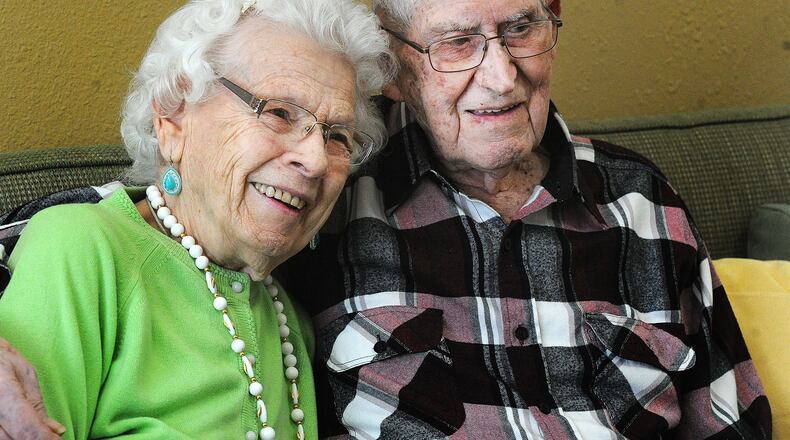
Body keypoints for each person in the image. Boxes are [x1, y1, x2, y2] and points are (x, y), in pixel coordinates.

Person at [0, 0, 773, 439]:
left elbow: (737, 422)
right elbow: (124, 233)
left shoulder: (643, 199)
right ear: (403, 71)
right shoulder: (332, 214)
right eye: (456, 42)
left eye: (522, 27)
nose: (499, 73)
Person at [0, 0, 392, 439]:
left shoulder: (291, 318)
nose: (316, 160)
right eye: (279, 113)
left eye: (337, 136)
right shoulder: (79, 249)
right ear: (172, 118)